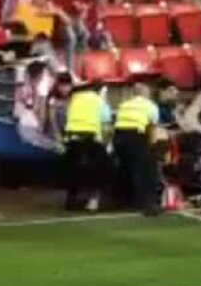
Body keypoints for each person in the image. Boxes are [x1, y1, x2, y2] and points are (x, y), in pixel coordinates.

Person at [62, 79, 113, 211]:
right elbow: (106, 126)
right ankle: (94, 200)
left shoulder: (75, 99)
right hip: (90, 139)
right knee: (106, 167)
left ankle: (70, 199)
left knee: (72, 169)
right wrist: (107, 144)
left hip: (71, 141)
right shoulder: (99, 101)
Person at [113, 80, 161, 214]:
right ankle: (149, 204)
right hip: (136, 136)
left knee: (125, 167)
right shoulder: (150, 106)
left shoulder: (124, 105)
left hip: (119, 138)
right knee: (148, 169)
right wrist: (154, 148)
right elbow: (153, 129)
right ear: (146, 93)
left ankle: (123, 201)